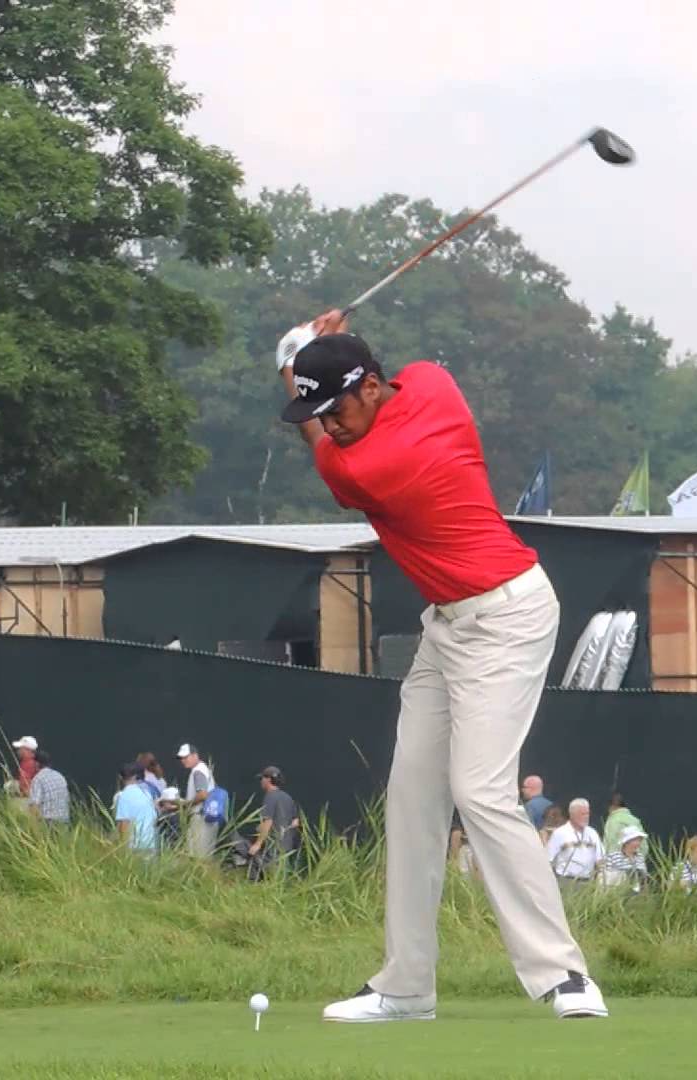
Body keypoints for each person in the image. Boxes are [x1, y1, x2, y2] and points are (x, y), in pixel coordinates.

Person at [278, 312, 605, 1021]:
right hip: (447, 625)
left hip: (507, 617)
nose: (327, 424)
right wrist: (318, 356)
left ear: (369, 387)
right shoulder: (432, 382)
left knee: (480, 790)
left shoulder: (374, 465)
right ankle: (405, 985)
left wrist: (291, 355)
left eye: (334, 408)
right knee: (412, 794)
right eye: (317, 411)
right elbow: (371, 386)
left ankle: (565, 976)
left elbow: (328, 463)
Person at [248, 765, 301, 872]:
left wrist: (257, 844)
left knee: (269, 876)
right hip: (287, 845)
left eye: (262, 778)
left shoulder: (270, 797)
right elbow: (296, 822)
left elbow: (268, 821)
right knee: (282, 877)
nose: (261, 781)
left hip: (273, 846)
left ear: (268, 779)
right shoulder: (287, 797)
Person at [547, 799, 603, 889]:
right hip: (566, 881)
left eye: (587, 813)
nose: (586, 817)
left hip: (589, 882)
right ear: (572, 814)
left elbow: (600, 859)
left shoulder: (593, 833)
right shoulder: (560, 833)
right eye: (582, 814)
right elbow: (548, 859)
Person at [178, 743, 218, 857]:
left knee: (198, 856)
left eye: (186, 757)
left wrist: (186, 804)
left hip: (201, 817)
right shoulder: (203, 768)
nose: (183, 760)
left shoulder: (198, 771)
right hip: (206, 817)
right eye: (181, 758)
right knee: (204, 855)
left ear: (195, 755)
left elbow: (202, 795)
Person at [114, 762, 160, 858]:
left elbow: (124, 824)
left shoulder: (124, 795)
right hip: (151, 843)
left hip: (134, 847)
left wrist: (122, 849)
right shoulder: (147, 794)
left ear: (121, 778)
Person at [25, 751, 70, 827]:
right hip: (64, 821)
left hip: (49, 823)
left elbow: (34, 806)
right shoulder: (59, 776)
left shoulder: (38, 779)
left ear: (37, 764)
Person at [598, 826, 648, 894]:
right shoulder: (612, 857)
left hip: (638, 896)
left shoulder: (640, 857)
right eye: (635, 840)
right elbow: (604, 880)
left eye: (639, 840)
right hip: (618, 895)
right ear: (626, 842)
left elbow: (644, 879)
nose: (638, 843)